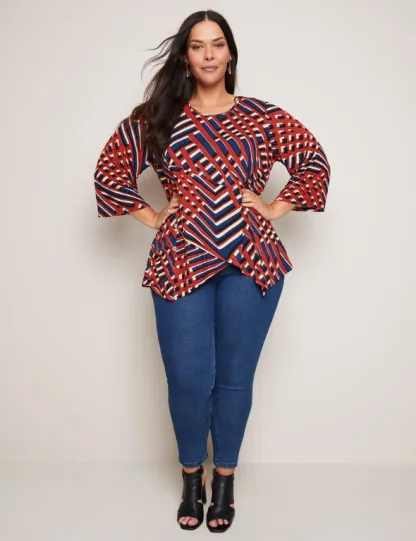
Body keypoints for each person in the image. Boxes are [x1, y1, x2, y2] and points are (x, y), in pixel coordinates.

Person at [93, 9, 331, 533]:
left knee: (234, 379)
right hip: (181, 256)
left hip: (251, 257)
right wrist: (153, 216)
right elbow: (110, 171)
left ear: (230, 53)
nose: (208, 54)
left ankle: (224, 482)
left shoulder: (262, 116)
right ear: (185, 56)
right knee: (188, 377)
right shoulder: (159, 116)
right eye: (197, 45)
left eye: (217, 44)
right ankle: (190, 477)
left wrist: (274, 207)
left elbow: (313, 161)